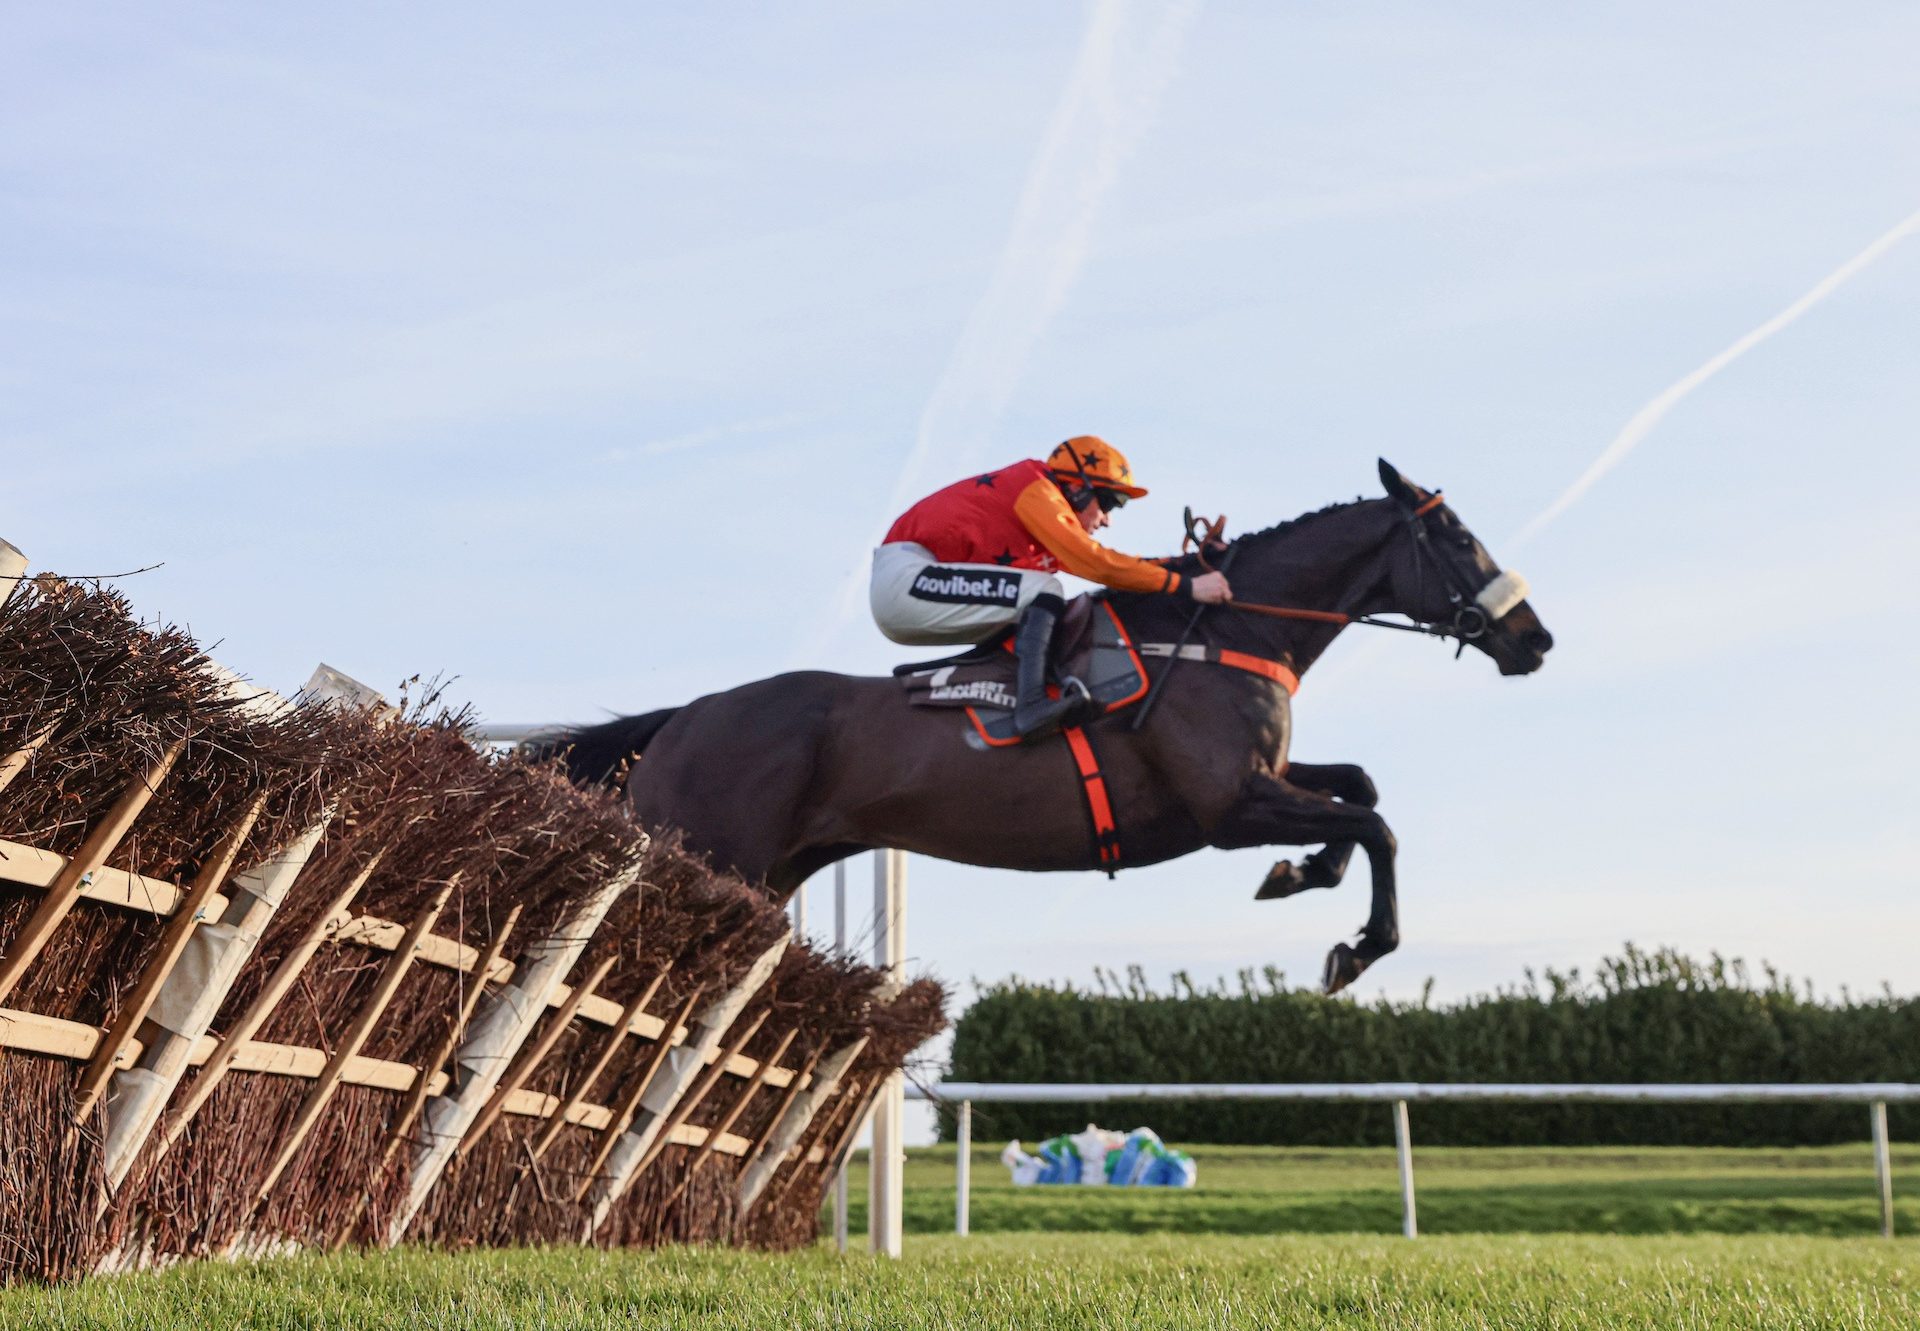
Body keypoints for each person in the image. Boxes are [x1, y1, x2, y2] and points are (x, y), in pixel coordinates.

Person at [871, 436, 1232, 737]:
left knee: (1042, 602)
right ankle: (1032, 707)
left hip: (915, 586)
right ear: (1076, 488)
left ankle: (1004, 694)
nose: (1106, 519)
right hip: (906, 579)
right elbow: (1095, 562)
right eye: (1108, 503)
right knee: (1044, 590)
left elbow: (1109, 561)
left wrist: (1184, 567)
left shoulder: (1042, 529)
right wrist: (1185, 587)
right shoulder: (1035, 489)